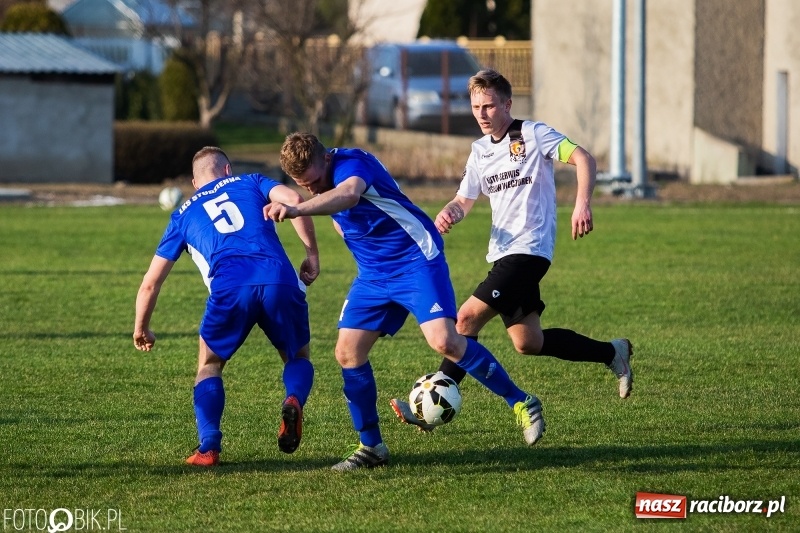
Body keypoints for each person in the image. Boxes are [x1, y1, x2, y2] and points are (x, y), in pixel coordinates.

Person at [265, 132, 545, 471]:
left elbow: (349, 195)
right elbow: (347, 221)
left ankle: (523, 403)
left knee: (445, 340)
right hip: (372, 275)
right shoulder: (321, 183)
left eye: (314, 181)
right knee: (347, 353)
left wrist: (296, 209)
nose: (312, 188)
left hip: (415, 261)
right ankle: (371, 446)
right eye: (303, 185)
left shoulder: (352, 164)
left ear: (326, 159)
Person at [389, 69, 633, 432]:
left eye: (489, 105)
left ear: (507, 103)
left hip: (530, 251)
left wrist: (582, 203)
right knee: (528, 342)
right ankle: (612, 352)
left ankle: (434, 402)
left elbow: (584, 158)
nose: (482, 114)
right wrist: (450, 212)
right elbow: (464, 198)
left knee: (465, 321)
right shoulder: (479, 152)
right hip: (502, 253)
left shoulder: (533, 134)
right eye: (476, 107)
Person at [133, 146, 320, 466]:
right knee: (295, 356)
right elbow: (296, 201)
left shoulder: (181, 216)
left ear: (194, 183)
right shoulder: (251, 181)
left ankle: (208, 447)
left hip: (230, 289)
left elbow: (151, 282)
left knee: (209, 365)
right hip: (279, 280)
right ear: (227, 170)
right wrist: (312, 254)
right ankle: (293, 399)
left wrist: (141, 327)